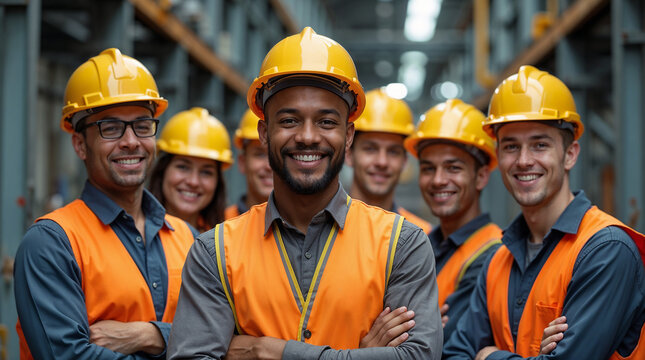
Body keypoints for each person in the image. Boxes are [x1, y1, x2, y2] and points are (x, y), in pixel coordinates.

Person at [167, 27, 443, 359]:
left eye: (327, 122)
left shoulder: (403, 244)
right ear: (264, 133)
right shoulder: (215, 252)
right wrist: (358, 355)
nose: (308, 137)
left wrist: (272, 351)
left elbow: (418, 356)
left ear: (349, 135)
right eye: (289, 121)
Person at [442, 65, 645, 359]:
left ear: (570, 154)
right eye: (511, 146)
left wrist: (488, 356)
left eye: (540, 144)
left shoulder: (606, 250)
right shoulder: (497, 261)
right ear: (498, 156)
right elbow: (454, 355)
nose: (524, 160)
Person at [14, 48, 196, 359]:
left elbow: (222, 340)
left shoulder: (188, 238)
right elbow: (69, 356)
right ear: (80, 144)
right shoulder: (52, 243)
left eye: (142, 125)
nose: (130, 141)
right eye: (110, 128)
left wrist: (150, 335)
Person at [403, 98, 501, 341]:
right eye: (428, 168)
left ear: (481, 176)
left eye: (453, 168)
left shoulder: (493, 254)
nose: (438, 180)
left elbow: (443, 346)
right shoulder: (422, 243)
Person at [346, 88, 432, 233]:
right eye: (370, 149)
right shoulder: (322, 230)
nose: (382, 162)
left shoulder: (423, 236)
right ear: (348, 155)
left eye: (393, 151)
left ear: (404, 161)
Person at [149, 107, 234, 232]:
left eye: (206, 172)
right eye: (183, 167)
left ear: (218, 182)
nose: (193, 181)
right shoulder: (136, 231)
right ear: (163, 170)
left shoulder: (225, 241)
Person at [224, 108, 273, 219]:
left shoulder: (307, 226)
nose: (269, 166)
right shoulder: (218, 226)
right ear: (242, 162)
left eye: (276, 154)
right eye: (260, 155)